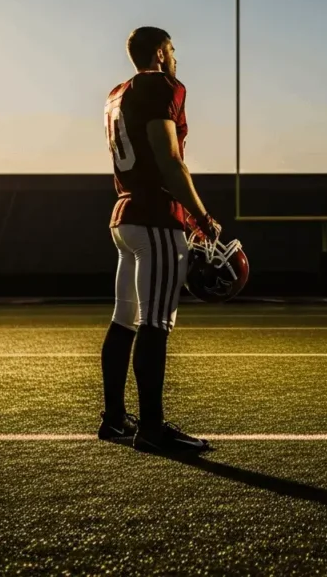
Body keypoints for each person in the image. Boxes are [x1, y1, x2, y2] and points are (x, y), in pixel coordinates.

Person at [98, 26, 220, 453]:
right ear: (160, 54)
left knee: (124, 319)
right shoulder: (161, 85)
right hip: (155, 217)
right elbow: (169, 159)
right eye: (172, 49)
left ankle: (114, 418)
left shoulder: (117, 93)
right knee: (155, 322)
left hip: (125, 215)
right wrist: (202, 216)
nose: (176, 57)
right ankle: (151, 428)